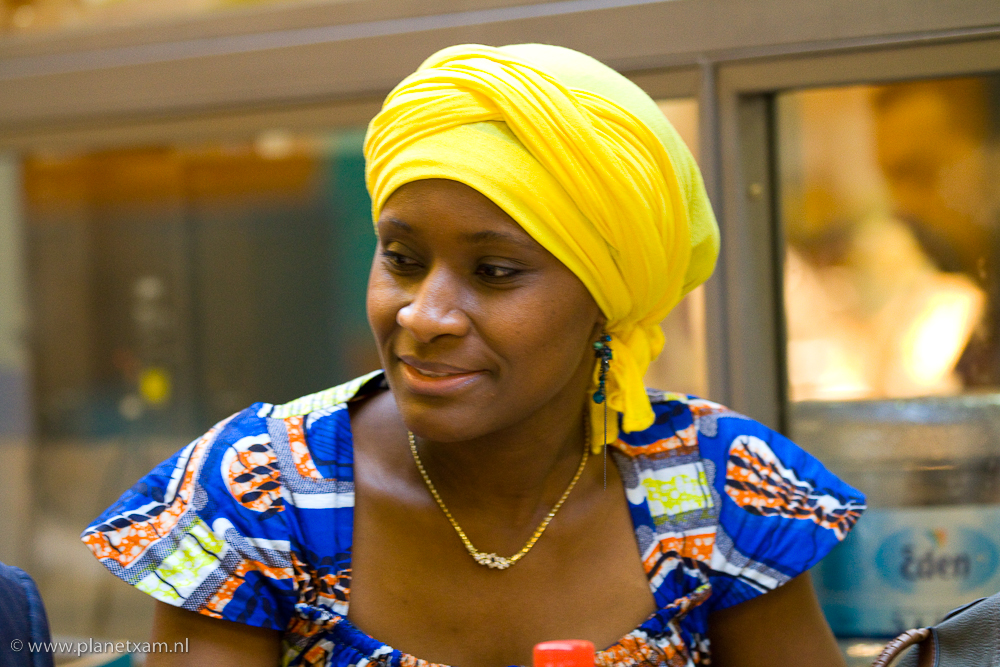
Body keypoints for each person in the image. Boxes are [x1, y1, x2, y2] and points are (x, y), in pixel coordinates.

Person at [82, 44, 865, 667]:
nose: (423, 315)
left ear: (606, 299)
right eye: (402, 258)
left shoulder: (716, 488)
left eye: (494, 271)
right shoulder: (261, 494)